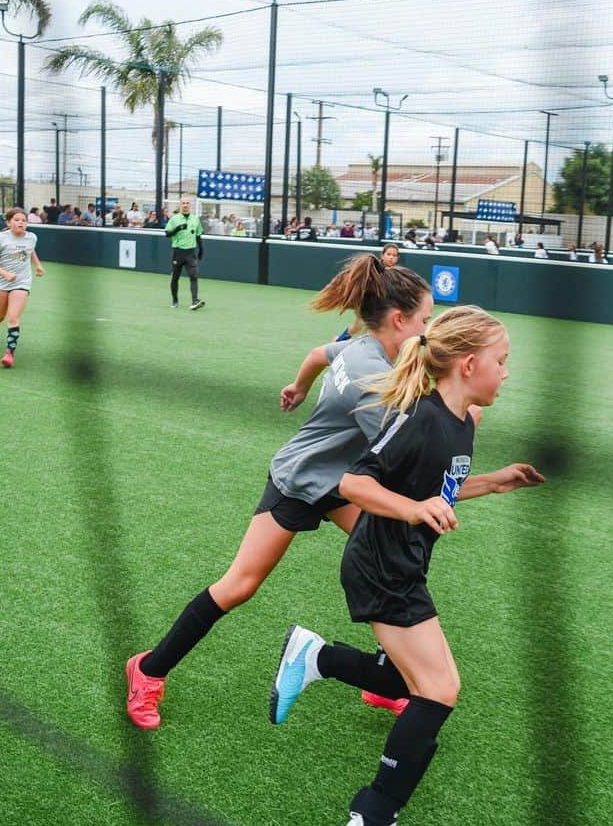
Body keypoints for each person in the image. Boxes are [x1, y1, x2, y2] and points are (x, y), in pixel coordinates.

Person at [124, 256, 440, 730]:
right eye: (426, 321)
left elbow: (317, 355)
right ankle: (147, 670)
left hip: (343, 482)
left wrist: (297, 387)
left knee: (392, 562)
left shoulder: (362, 349)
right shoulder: (372, 377)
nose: (430, 330)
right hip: (301, 480)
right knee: (240, 586)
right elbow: (404, 457)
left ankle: (382, 680)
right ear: (399, 320)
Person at [268, 305, 545, 826]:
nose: (506, 372)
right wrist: (415, 510)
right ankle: (372, 812)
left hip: (404, 562)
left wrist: (492, 481)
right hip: (382, 565)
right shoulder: (419, 418)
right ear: (467, 364)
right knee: (439, 689)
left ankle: (317, 658)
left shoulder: (462, 422)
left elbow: (434, 488)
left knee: (404, 680)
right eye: (501, 360)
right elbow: (354, 483)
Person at [0, 207, 45, 368]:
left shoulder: (32, 237)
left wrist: (38, 265)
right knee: (0, 316)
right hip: (1, 282)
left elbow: (31, 251)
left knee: (13, 317)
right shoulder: (0, 238)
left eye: (24, 220)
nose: (21, 223)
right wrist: (5, 274)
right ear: (9, 222)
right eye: (17, 220)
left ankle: (9, 353)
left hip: (22, 282)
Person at [339, 246, 400, 341]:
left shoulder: (397, 273)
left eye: (394, 255)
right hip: (368, 302)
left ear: (397, 258)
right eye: (388, 254)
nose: (391, 257)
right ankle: (339, 342)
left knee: (366, 326)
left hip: (383, 305)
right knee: (361, 324)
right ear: (382, 256)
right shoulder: (374, 268)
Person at [165, 197, 205, 310]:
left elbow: (198, 235)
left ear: (190, 205)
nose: (185, 205)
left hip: (191, 253)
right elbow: (167, 234)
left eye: (187, 203)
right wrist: (177, 229)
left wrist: (202, 248)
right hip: (178, 253)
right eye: (183, 203)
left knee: (194, 276)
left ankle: (194, 301)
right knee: (175, 278)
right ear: (180, 205)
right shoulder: (174, 219)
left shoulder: (195, 219)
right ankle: (175, 300)